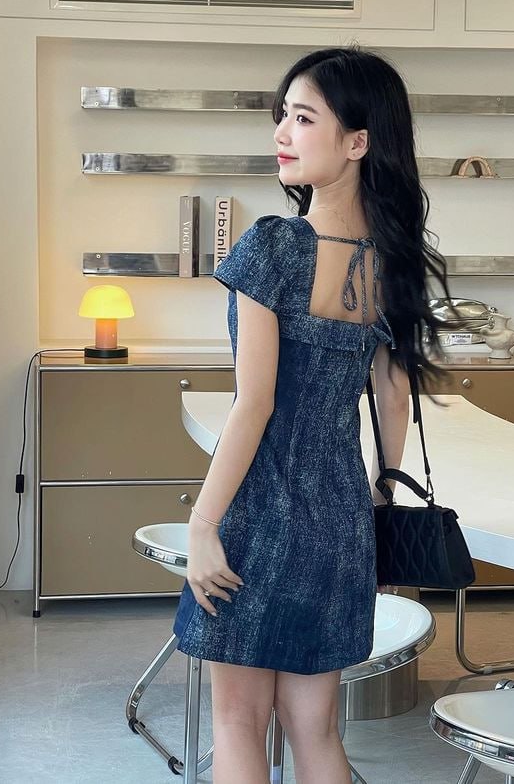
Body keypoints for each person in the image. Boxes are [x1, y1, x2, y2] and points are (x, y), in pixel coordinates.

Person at [172, 46, 452, 783]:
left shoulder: (274, 245)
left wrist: (202, 525)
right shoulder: (391, 264)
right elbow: (392, 396)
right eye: (283, 117)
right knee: (317, 731)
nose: (281, 133)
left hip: (258, 510)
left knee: (238, 723)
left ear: (357, 142)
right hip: (339, 518)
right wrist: (378, 502)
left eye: (302, 118)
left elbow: (254, 404)